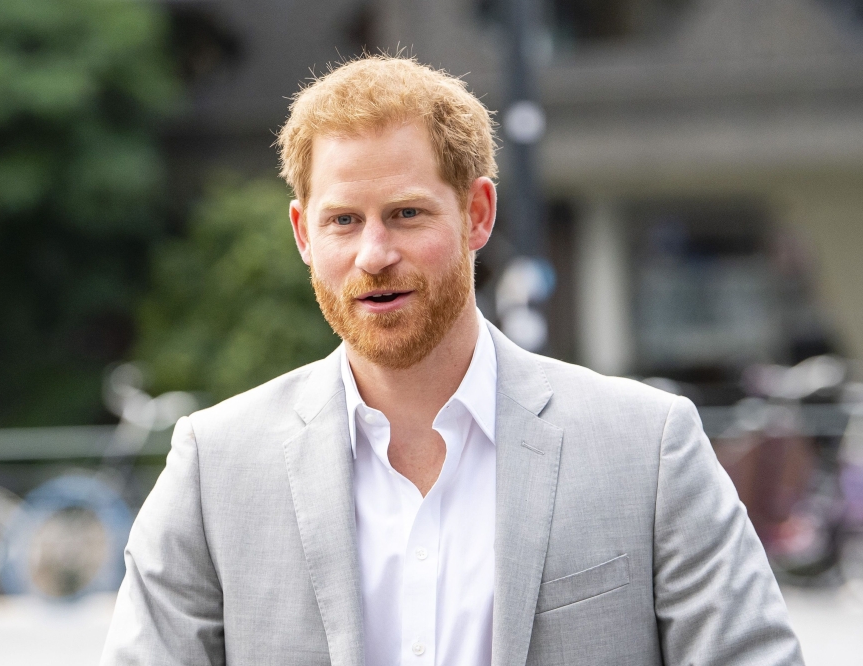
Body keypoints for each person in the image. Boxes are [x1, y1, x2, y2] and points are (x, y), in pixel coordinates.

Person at [101, 56, 803, 666]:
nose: (374, 255)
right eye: (343, 220)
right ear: (303, 234)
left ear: (478, 213)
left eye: (406, 214)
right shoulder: (214, 467)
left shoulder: (647, 447)